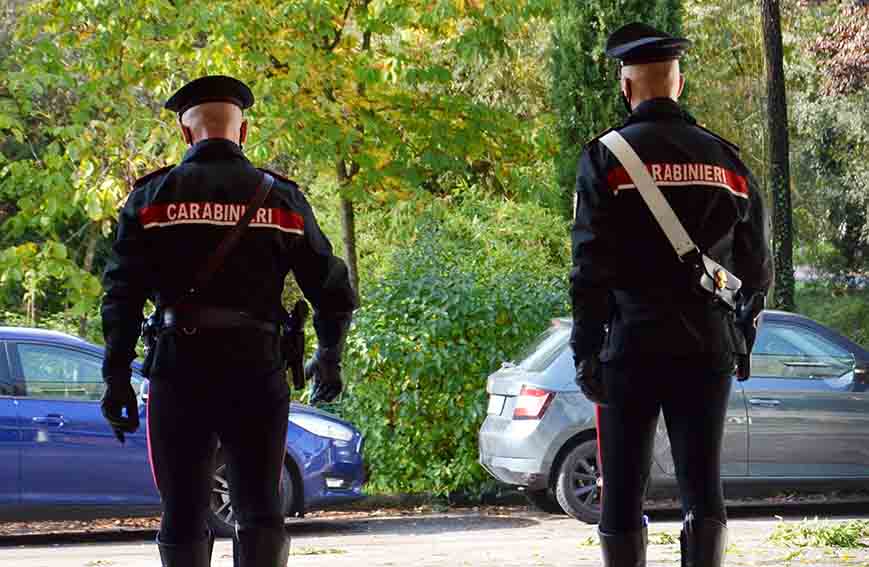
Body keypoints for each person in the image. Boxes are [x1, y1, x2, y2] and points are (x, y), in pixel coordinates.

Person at [99, 75, 356, 567]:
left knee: (182, 510)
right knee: (260, 508)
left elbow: (121, 298)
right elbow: (333, 290)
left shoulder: (152, 198)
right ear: (243, 132)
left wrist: (116, 379)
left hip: (179, 372)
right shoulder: (281, 199)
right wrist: (329, 357)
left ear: (184, 133)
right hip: (256, 373)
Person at [569, 23, 772, 567]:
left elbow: (588, 269)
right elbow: (757, 269)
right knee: (703, 486)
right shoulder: (727, 161)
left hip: (627, 350)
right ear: (677, 84)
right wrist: (740, 336)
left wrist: (584, 349)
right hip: (705, 350)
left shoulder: (606, 160)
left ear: (627, 88)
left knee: (622, 492)